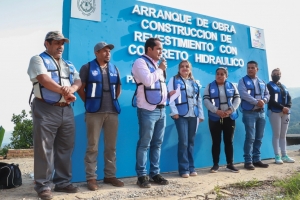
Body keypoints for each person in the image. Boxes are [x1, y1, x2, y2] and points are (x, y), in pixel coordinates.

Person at [27, 31, 82, 200]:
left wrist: (71, 89)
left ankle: (63, 182)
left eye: (62, 43)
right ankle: (43, 185)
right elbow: (44, 79)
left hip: (66, 109)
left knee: (66, 147)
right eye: (57, 43)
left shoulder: (69, 64)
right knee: (44, 148)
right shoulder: (38, 60)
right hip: (45, 108)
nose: (60, 46)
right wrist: (64, 90)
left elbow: (78, 81)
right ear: (47, 44)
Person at [77, 42, 123, 191]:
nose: (108, 53)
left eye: (109, 51)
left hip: (112, 113)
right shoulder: (87, 67)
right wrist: (89, 102)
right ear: (96, 52)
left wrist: (113, 100)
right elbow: (80, 88)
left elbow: (118, 87)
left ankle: (110, 175)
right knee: (92, 147)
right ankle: (91, 178)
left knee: (111, 147)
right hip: (94, 113)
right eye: (104, 51)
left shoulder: (114, 68)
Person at [131, 38, 169, 188]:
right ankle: (141, 175)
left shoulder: (156, 65)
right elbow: (147, 81)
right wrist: (160, 69)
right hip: (147, 110)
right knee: (144, 144)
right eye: (158, 49)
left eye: (161, 49)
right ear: (149, 49)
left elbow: (160, 86)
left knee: (157, 144)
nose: (161, 52)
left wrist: (168, 95)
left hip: (161, 110)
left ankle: (155, 173)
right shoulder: (140, 62)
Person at [167, 60, 204, 178]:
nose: (184, 68)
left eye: (187, 66)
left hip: (194, 115)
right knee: (183, 142)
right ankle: (184, 169)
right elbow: (170, 96)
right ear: (179, 69)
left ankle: (191, 167)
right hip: (181, 115)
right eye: (182, 66)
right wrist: (174, 112)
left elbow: (199, 99)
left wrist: (201, 115)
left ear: (190, 69)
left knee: (191, 142)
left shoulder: (194, 82)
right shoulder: (174, 80)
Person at [203, 67, 241, 173]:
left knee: (229, 141)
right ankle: (215, 165)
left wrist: (230, 110)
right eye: (217, 74)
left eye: (222, 74)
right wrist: (216, 110)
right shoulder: (209, 86)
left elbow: (237, 99)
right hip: (215, 117)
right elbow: (206, 101)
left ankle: (230, 164)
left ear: (226, 76)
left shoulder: (232, 86)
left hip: (229, 117)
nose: (219, 76)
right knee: (216, 141)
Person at [238, 60, 270, 170]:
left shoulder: (262, 82)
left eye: (252, 68)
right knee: (250, 137)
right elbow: (244, 94)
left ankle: (257, 159)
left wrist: (264, 100)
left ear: (257, 69)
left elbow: (267, 94)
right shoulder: (242, 81)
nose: (250, 69)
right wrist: (257, 102)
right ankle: (248, 161)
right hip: (249, 113)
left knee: (259, 137)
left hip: (261, 113)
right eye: (248, 68)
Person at [267, 68, 295, 164]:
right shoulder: (269, 85)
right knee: (277, 134)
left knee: (283, 135)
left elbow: (289, 98)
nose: (276, 75)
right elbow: (270, 100)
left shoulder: (283, 86)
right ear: (271, 75)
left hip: (286, 113)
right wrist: (282, 107)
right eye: (274, 74)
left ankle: (284, 155)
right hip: (275, 112)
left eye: (278, 74)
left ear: (280, 75)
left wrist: (287, 107)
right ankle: (277, 156)